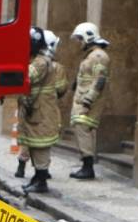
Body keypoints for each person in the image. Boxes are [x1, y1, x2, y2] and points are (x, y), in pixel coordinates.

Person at [18, 28, 66, 193]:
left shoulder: (41, 62)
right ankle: (38, 177)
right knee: (35, 146)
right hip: (37, 112)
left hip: (41, 113)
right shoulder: (38, 60)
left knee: (40, 148)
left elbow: (26, 77)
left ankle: (41, 180)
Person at [68, 22, 110, 180]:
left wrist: (88, 100)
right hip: (82, 98)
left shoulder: (98, 56)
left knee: (83, 129)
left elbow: (100, 80)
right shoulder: (92, 55)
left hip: (88, 101)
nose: (79, 42)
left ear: (88, 37)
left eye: (80, 38)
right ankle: (86, 165)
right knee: (81, 129)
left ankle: (88, 167)